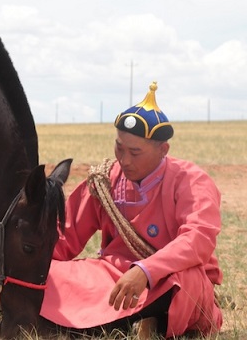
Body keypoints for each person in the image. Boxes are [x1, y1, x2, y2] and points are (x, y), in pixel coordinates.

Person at [40, 82, 223, 338]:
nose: (124, 160)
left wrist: (145, 271)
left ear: (163, 150)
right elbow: (64, 237)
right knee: (47, 273)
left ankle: (141, 321)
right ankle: (119, 321)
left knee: (185, 282)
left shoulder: (192, 181)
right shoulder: (104, 180)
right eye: (119, 148)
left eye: (135, 152)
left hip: (167, 277)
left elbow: (197, 240)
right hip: (111, 276)